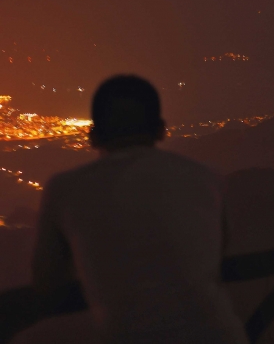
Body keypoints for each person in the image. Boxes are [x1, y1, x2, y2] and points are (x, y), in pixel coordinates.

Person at [31, 75, 248, 344]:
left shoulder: (65, 188)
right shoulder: (206, 178)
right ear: (161, 130)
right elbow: (219, 253)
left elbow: (47, 281)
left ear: (93, 136)